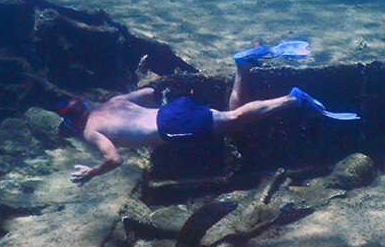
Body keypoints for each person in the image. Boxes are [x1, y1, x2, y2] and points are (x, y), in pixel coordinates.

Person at [59, 41, 359, 184]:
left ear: (72, 122)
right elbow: (149, 93)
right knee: (234, 118)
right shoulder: (111, 102)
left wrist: (92, 171)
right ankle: (242, 66)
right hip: (172, 110)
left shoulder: (89, 132)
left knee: (233, 120)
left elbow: (113, 158)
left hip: (171, 125)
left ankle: (293, 99)